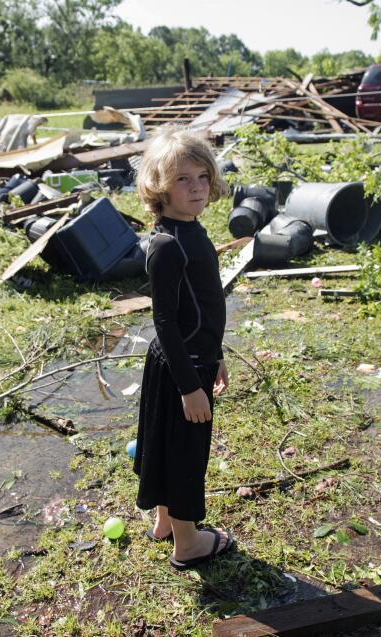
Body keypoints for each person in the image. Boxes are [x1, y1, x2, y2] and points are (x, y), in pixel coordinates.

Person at [132, 127, 235, 570]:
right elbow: (166, 321)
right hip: (183, 365)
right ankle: (188, 543)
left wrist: (218, 354)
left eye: (202, 177)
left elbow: (203, 307)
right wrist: (190, 386)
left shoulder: (190, 230)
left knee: (166, 445)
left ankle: (164, 521)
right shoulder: (167, 245)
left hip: (192, 358)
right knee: (186, 454)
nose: (196, 187)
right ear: (159, 186)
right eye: (182, 179)